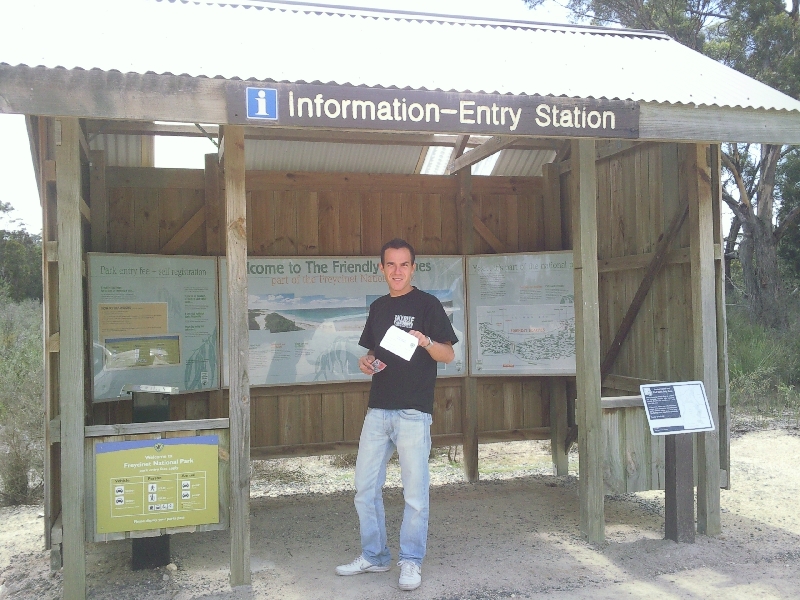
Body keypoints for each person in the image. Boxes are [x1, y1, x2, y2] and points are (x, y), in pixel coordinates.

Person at [335, 238, 458, 591]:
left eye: (404, 265)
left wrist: (427, 343)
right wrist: (366, 362)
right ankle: (374, 557)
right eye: (391, 265)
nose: (397, 271)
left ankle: (411, 561)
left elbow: (448, 355)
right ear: (382, 269)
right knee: (364, 489)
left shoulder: (428, 305)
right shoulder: (377, 307)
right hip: (378, 409)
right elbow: (374, 353)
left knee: (415, 494)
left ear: (413, 268)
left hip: (413, 413)